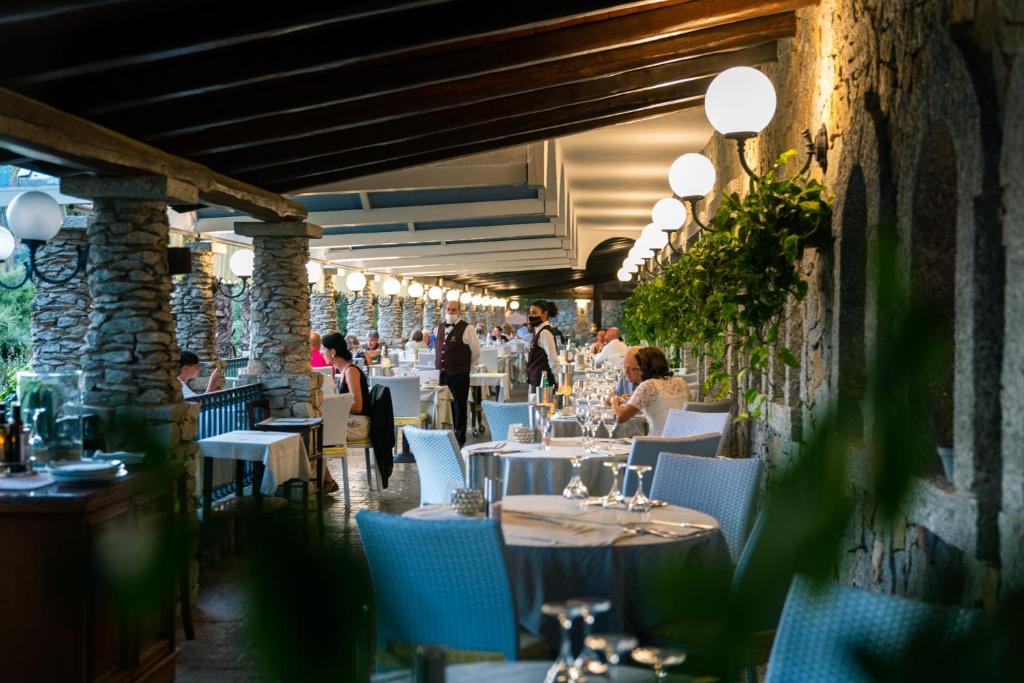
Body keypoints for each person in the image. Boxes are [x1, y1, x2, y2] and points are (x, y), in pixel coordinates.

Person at [319, 333, 367, 494]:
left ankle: (327, 481)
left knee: (314, 435)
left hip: (359, 424)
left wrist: (333, 406)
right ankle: (325, 480)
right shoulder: (344, 371)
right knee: (313, 433)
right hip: (352, 421)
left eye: (323, 349)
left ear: (332, 352)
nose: (321, 353)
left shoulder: (351, 372)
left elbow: (358, 406)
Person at [611, 346, 690, 436]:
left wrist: (613, 399)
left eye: (638, 367)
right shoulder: (681, 382)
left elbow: (621, 417)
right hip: (684, 442)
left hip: (657, 444)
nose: (639, 370)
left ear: (644, 367)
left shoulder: (649, 385)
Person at [434, 299, 481, 446]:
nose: (450, 312)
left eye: (454, 309)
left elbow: (476, 352)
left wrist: (466, 367)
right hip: (442, 374)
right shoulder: (438, 328)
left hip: (459, 374)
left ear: (459, 311)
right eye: (448, 309)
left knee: (459, 406)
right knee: (442, 405)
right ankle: (444, 436)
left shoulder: (468, 329)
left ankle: (460, 438)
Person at [526, 299, 559, 389]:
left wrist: (558, 381)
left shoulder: (545, 332)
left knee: (544, 403)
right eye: (530, 313)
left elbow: (553, 359)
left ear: (544, 314)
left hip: (543, 381)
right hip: (537, 378)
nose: (530, 316)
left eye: (534, 313)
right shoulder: (539, 331)